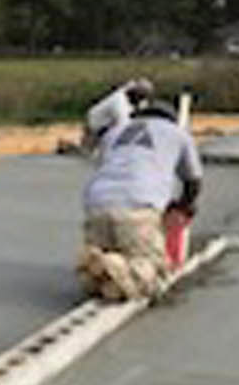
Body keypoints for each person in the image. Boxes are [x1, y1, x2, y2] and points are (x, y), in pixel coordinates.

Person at [77, 97, 202, 302]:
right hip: (139, 206)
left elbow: (106, 166)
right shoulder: (178, 134)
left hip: (97, 203)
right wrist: (183, 206)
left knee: (101, 284)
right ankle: (112, 264)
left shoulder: (114, 132)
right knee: (152, 270)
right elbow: (193, 181)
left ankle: (96, 260)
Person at [81, 76, 154, 155]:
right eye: (141, 97)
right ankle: (90, 144)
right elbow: (123, 129)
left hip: (105, 119)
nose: (142, 101)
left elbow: (142, 106)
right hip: (96, 124)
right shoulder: (119, 105)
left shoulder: (130, 88)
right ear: (135, 95)